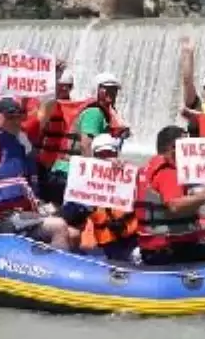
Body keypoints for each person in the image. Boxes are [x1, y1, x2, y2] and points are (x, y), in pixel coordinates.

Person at [0, 82, 70, 249]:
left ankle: (46, 261)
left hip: (25, 214)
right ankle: (55, 271)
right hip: (0, 219)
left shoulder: (23, 136)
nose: (15, 120)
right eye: (9, 116)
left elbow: (45, 111)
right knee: (59, 227)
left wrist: (53, 77)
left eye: (17, 116)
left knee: (73, 234)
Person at [136, 125, 205, 265]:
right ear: (173, 147)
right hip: (170, 249)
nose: (191, 150)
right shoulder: (168, 172)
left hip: (150, 247)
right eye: (186, 145)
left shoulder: (146, 169)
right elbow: (174, 206)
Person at [45, 72, 129, 206]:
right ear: (96, 89)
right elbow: (86, 146)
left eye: (114, 89)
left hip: (67, 173)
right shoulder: (94, 113)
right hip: (68, 174)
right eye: (106, 88)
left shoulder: (104, 113)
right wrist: (98, 171)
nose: (111, 92)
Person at [60, 134, 140, 262]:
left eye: (110, 154)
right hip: (101, 245)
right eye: (101, 154)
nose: (106, 158)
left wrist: (128, 171)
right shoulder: (83, 180)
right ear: (94, 156)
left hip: (129, 241)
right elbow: (68, 214)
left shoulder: (127, 176)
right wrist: (87, 206)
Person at [33, 68, 77, 202]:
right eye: (61, 85)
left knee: (57, 199)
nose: (63, 89)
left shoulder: (75, 108)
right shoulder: (44, 106)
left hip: (62, 164)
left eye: (67, 86)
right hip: (42, 161)